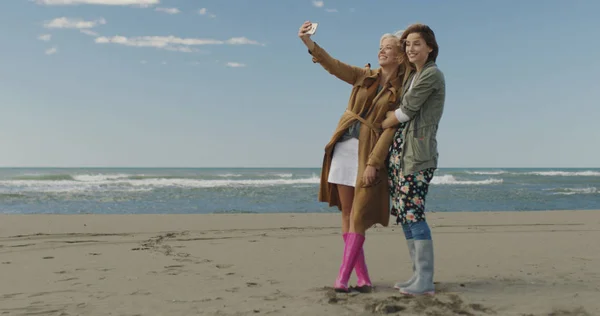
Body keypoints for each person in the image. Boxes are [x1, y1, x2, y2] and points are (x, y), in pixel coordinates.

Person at [298, 21, 409, 293]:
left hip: (367, 152)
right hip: (343, 147)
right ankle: (363, 279)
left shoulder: (402, 90)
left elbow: (389, 131)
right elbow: (334, 66)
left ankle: (341, 277)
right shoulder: (364, 75)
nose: (382, 52)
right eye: (380, 47)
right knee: (347, 213)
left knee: (359, 215)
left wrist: (374, 162)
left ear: (400, 55)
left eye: (389, 48)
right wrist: (309, 44)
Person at [381, 23, 445, 296]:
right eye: (407, 45)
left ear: (430, 47)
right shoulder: (413, 75)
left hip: (418, 156)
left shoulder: (432, 75)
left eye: (417, 43)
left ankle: (426, 280)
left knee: (414, 214)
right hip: (401, 156)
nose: (410, 48)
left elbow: (404, 113)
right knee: (405, 216)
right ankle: (418, 275)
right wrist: (403, 36)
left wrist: (384, 122)